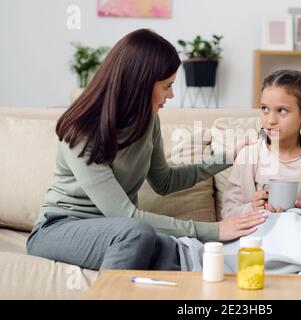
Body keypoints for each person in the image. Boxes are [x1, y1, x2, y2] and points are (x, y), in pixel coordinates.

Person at [26, 29, 266, 271]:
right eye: (166, 86)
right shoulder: (83, 132)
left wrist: (229, 156)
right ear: (139, 83)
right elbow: (125, 215)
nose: (171, 95)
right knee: (138, 233)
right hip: (59, 228)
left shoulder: (150, 121)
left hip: (116, 230)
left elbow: (165, 181)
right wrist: (214, 230)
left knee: (174, 249)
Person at [221, 69, 301, 217]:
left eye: (282, 110)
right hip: (262, 235)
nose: (270, 120)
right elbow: (228, 213)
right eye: (265, 109)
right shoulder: (250, 154)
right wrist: (253, 208)